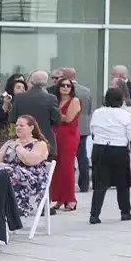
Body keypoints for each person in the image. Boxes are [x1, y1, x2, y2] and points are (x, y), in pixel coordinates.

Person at [88, 86, 131, 224]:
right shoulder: (125, 115)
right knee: (123, 184)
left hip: (99, 148)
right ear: (121, 100)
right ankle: (125, 212)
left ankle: (94, 214)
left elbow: (92, 129)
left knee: (100, 184)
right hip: (118, 150)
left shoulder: (97, 113)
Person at [0, 115, 51, 219]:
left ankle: (9, 209)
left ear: (31, 128)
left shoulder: (39, 144)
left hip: (31, 180)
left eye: (21, 125)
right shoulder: (10, 142)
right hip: (9, 175)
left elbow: (29, 160)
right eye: (16, 125)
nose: (18, 128)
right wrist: (5, 165)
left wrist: (18, 147)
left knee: (9, 173)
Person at [11, 71, 61, 159]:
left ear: (32, 82)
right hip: (45, 141)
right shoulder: (51, 98)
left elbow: (12, 119)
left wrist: (12, 138)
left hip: (23, 142)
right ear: (45, 83)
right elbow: (57, 121)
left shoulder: (19, 97)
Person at [49, 76, 81, 211]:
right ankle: (59, 198)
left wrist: (55, 115)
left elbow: (68, 118)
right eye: (63, 85)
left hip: (69, 135)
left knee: (67, 166)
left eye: (68, 86)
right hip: (55, 134)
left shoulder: (74, 100)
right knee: (56, 167)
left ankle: (71, 199)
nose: (65, 88)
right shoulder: (55, 100)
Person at [110, 65, 131, 185]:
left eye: (113, 74)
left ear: (120, 76)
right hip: (116, 127)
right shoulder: (113, 89)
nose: (111, 77)